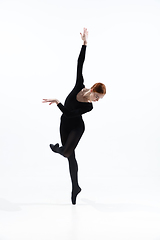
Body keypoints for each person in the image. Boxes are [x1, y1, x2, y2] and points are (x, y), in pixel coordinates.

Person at [42, 28, 106, 205]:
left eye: (99, 99)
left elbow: (71, 113)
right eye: (97, 97)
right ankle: (76, 187)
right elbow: (80, 63)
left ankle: (57, 149)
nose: (96, 101)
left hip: (77, 127)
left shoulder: (89, 108)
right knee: (70, 157)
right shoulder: (80, 84)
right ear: (92, 90)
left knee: (65, 152)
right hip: (64, 124)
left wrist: (58, 102)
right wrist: (84, 44)